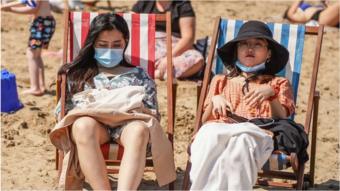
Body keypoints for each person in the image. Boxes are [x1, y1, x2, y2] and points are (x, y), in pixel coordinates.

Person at [51, 13, 175, 190]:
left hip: (128, 126)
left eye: (117, 45)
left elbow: (153, 113)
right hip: (93, 129)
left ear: (125, 41)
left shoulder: (139, 75)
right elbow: (61, 113)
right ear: (93, 44)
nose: (110, 50)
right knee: (82, 126)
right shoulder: (78, 73)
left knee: (140, 130)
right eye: (102, 45)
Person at [189, 20, 296, 190]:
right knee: (207, 136)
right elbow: (204, 121)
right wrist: (215, 99)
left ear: (268, 54)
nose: (250, 48)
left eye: (257, 44)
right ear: (237, 51)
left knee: (241, 142)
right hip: (219, 130)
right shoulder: (220, 80)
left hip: (257, 134)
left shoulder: (278, 83)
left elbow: (283, 117)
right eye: (244, 44)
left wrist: (271, 94)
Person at [132, 0, 204, 80]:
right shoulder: (143, 3)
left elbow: (188, 38)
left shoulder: (182, 5)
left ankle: (156, 73)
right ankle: (161, 72)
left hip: (175, 48)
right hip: (149, 47)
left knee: (196, 59)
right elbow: (128, 26)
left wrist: (168, 58)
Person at [1, 0, 56, 96]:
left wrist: (10, 9)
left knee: (32, 54)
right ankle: (41, 86)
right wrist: (6, 5)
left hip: (41, 24)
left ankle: (35, 88)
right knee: (37, 55)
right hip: (45, 22)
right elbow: (25, 1)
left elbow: (33, 8)